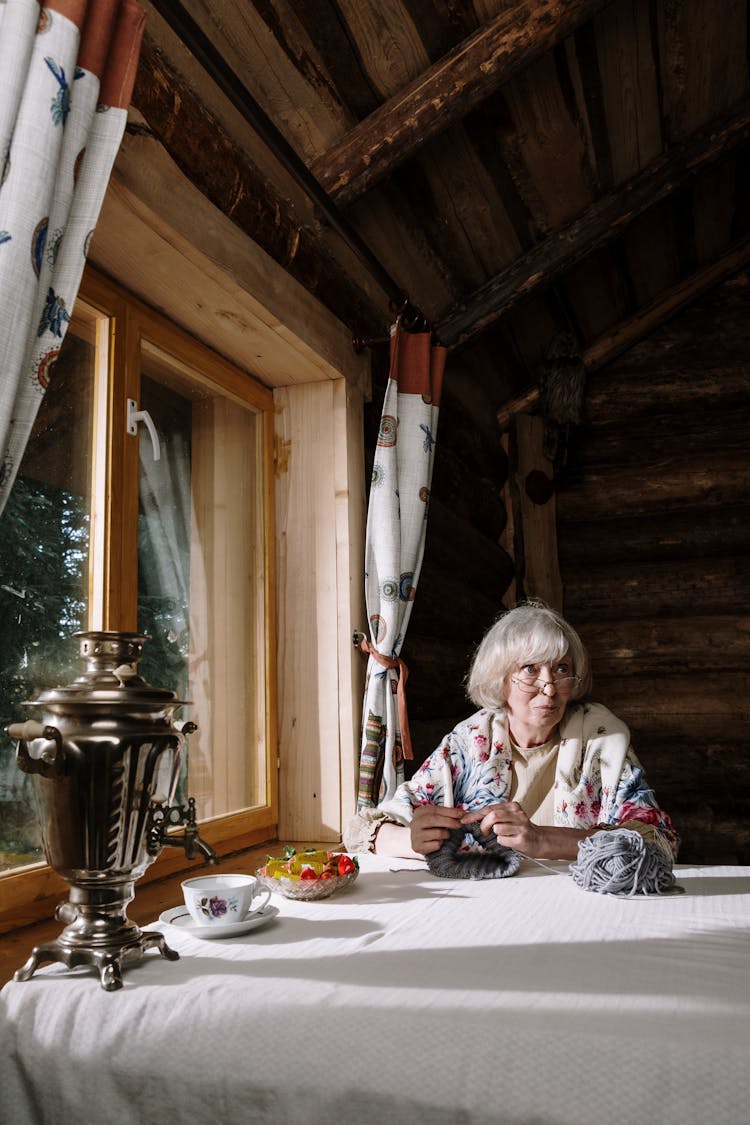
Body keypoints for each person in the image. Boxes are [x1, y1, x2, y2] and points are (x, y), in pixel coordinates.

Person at [344, 601, 677, 862]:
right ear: (499, 678)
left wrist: (542, 840)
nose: (549, 688)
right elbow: (362, 830)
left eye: (562, 668)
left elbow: (657, 841)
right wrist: (410, 840)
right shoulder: (470, 742)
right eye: (530, 669)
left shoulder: (601, 740)